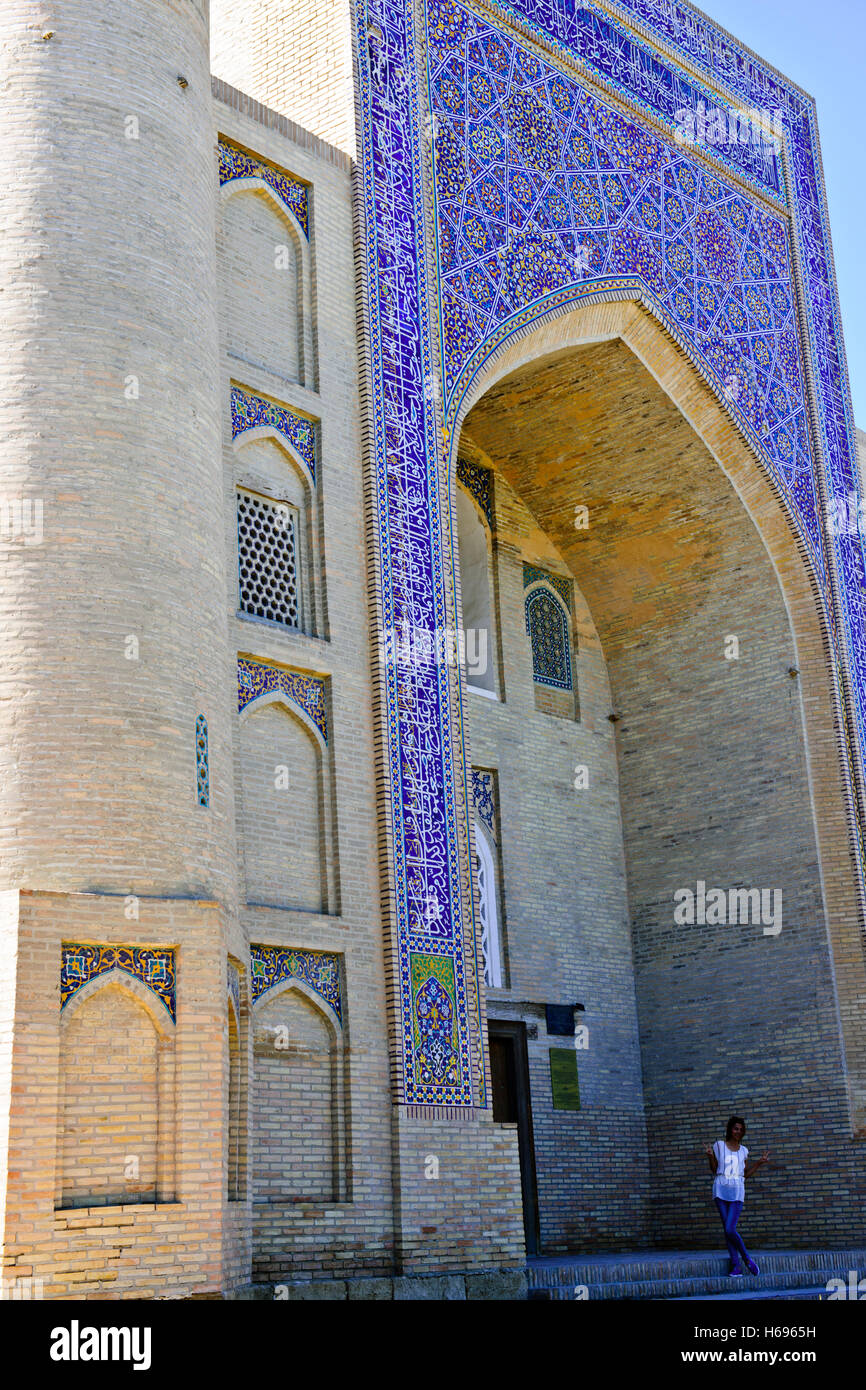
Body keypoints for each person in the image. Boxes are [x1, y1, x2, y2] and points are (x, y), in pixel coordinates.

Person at [704, 1116, 770, 1276]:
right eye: (735, 1128)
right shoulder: (719, 1145)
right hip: (720, 1190)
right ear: (729, 1129)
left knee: (729, 1228)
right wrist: (710, 1155)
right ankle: (736, 1266)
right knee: (728, 1230)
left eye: (741, 1129)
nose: (738, 1132)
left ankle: (746, 1259)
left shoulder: (744, 1150)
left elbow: (745, 1174)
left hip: (737, 1191)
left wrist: (758, 1163)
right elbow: (714, 1169)